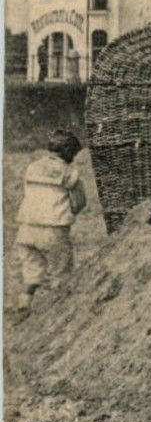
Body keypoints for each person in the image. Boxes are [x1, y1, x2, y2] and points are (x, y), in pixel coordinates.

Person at [12, 129, 88, 314]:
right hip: (53, 229)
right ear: (68, 152)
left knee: (32, 270)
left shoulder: (32, 168)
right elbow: (79, 201)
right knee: (61, 272)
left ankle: (23, 304)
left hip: (26, 228)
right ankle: (60, 312)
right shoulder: (69, 173)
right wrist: (72, 210)